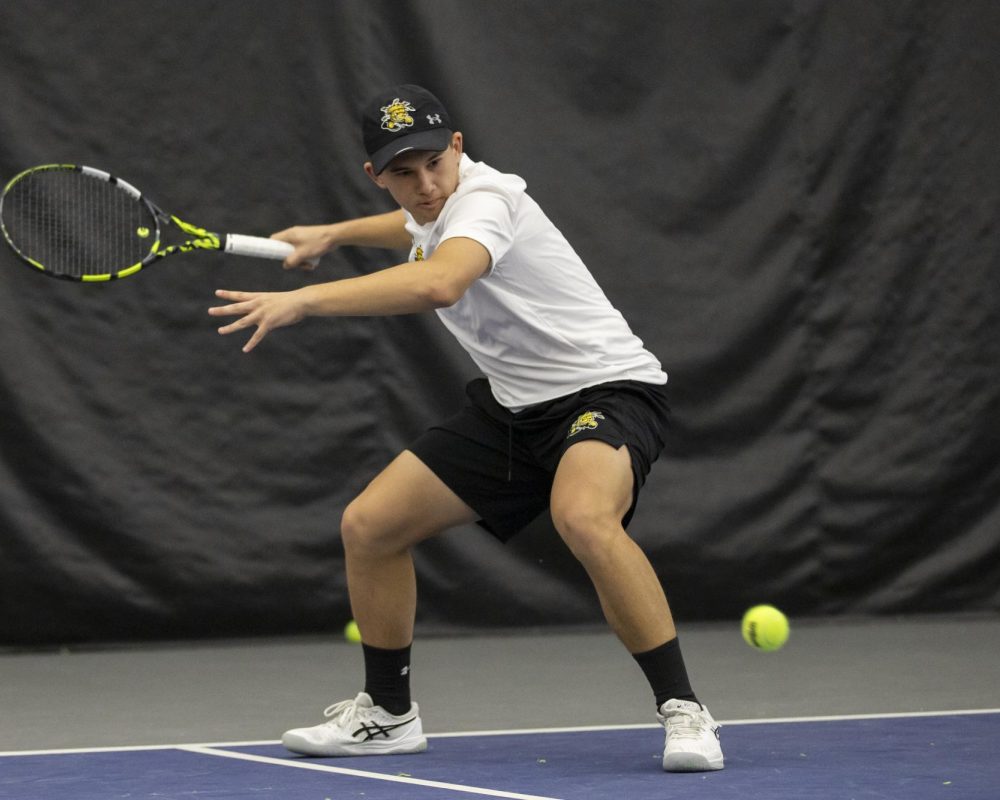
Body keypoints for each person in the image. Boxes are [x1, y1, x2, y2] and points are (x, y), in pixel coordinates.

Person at [207, 84, 724, 772]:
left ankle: (684, 710)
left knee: (583, 517)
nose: (424, 186)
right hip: (514, 409)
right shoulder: (433, 205)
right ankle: (389, 715)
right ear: (376, 176)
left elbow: (439, 283)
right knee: (370, 526)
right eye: (401, 173)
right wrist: (334, 234)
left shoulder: (488, 198)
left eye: (433, 164)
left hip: (608, 391)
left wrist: (307, 299)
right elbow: (412, 226)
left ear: (458, 148)